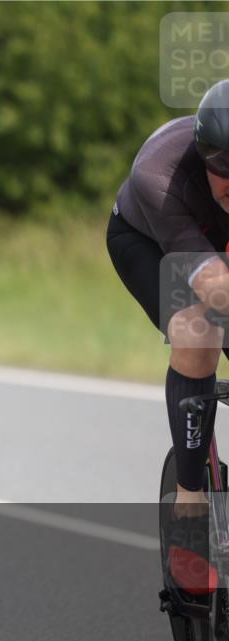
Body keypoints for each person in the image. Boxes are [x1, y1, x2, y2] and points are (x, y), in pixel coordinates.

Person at [107, 80, 229, 594]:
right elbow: (213, 287)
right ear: (205, 157)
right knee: (200, 331)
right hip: (147, 241)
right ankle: (189, 501)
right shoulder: (161, 173)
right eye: (226, 174)